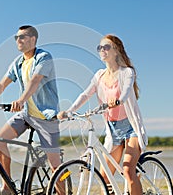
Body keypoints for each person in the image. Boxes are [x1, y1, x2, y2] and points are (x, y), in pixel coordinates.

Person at [0, 25, 61, 195]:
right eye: (16, 37)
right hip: (27, 114)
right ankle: (7, 187)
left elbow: (35, 80)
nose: (18, 40)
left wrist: (21, 99)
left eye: (22, 37)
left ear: (33, 39)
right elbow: (1, 85)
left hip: (46, 117)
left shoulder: (43, 57)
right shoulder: (18, 62)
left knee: (55, 167)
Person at [58, 34, 148, 195]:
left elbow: (127, 90)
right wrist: (70, 110)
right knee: (105, 177)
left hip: (130, 128)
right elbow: (86, 94)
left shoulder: (127, 72)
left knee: (128, 171)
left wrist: (118, 100)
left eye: (106, 47)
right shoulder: (99, 75)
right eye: (100, 47)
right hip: (112, 130)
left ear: (116, 51)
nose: (102, 50)